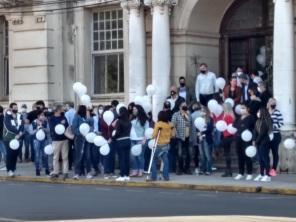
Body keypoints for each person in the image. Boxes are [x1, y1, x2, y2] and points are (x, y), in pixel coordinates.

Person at [233, 102, 256, 180]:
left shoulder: (251, 118)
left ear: (248, 109)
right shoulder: (238, 117)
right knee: (240, 156)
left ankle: (249, 173)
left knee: (247, 156)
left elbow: (254, 130)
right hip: (238, 139)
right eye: (241, 108)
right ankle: (241, 173)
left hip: (247, 139)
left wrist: (253, 140)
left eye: (243, 108)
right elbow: (234, 126)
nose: (241, 109)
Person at [71, 105, 94, 180]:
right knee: (79, 156)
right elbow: (74, 129)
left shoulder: (88, 118)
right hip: (79, 139)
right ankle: (77, 173)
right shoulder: (77, 117)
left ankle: (88, 172)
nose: (87, 111)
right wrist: (81, 132)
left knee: (87, 156)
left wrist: (88, 118)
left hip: (87, 139)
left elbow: (91, 127)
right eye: (86, 110)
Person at [150, 111, 173, 181]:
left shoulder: (158, 124)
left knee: (153, 160)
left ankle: (153, 177)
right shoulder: (170, 124)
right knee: (165, 161)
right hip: (166, 145)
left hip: (159, 145)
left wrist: (151, 137)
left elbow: (154, 135)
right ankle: (166, 177)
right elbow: (172, 135)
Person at [3, 103, 24, 177]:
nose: (16, 109)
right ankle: (9, 170)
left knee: (15, 154)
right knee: (10, 154)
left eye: (16, 107)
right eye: (14, 107)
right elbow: (9, 127)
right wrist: (18, 132)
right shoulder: (7, 117)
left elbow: (22, 125)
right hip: (8, 138)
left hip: (17, 138)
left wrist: (20, 133)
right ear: (11, 108)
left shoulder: (19, 116)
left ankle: (13, 169)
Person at [48, 104, 69, 179]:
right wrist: (61, 123)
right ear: (57, 110)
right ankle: (56, 172)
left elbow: (67, 126)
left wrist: (64, 123)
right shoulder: (51, 118)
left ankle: (65, 172)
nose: (62, 110)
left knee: (65, 156)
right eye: (61, 109)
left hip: (64, 139)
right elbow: (53, 128)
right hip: (56, 140)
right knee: (55, 157)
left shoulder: (63, 117)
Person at [253, 108, 273, 182]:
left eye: (259, 112)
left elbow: (262, 133)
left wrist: (256, 141)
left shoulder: (265, 122)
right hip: (258, 142)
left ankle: (268, 175)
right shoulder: (258, 121)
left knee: (265, 158)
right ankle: (261, 174)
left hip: (264, 142)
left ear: (262, 113)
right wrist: (253, 140)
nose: (257, 113)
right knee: (260, 159)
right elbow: (255, 131)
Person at [171, 102, 191, 175]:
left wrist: (185, 114)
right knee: (180, 153)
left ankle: (187, 168)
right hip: (179, 137)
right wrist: (175, 134)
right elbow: (172, 125)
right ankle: (179, 168)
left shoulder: (188, 114)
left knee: (188, 154)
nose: (184, 108)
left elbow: (190, 124)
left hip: (188, 137)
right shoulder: (176, 114)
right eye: (183, 106)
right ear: (180, 107)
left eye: (185, 106)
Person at [112, 107, 132, 182]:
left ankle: (122, 175)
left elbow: (117, 133)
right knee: (127, 159)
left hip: (120, 141)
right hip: (128, 140)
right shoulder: (129, 121)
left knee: (121, 159)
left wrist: (113, 137)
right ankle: (127, 175)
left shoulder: (119, 121)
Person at [130, 105, 149, 177]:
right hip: (132, 139)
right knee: (133, 155)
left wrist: (144, 139)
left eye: (135, 109)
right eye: (133, 109)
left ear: (139, 110)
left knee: (140, 156)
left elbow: (147, 131)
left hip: (140, 140)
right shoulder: (132, 118)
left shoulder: (145, 120)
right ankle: (135, 170)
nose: (133, 110)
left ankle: (141, 170)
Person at [30, 110, 50, 176]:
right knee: (37, 155)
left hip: (45, 140)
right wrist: (37, 129)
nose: (43, 116)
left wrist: (43, 128)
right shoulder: (33, 122)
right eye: (42, 115)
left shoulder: (46, 122)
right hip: (36, 140)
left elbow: (48, 130)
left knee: (45, 155)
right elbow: (31, 132)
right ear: (38, 116)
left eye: (43, 115)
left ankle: (47, 170)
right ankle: (37, 170)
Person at [268, 98, 284, 177]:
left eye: (274, 103)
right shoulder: (265, 112)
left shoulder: (277, 112)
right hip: (266, 136)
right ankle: (266, 168)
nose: (272, 104)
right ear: (268, 103)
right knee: (265, 153)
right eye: (271, 102)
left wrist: (272, 126)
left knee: (274, 153)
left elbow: (281, 123)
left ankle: (273, 169)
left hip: (275, 135)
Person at [197, 107, 214, 175]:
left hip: (207, 139)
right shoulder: (199, 119)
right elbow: (197, 128)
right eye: (201, 111)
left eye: (203, 111)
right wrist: (198, 134)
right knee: (201, 155)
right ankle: (202, 169)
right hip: (200, 139)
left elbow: (210, 129)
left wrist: (202, 133)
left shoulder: (210, 119)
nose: (202, 112)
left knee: (208, 155)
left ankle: (208, 170)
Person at [221, 102, 235, 177]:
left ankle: (228, 170)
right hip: (227, 135)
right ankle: (228, 170)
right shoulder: (230, 115)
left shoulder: (228, 116)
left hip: (227, 136)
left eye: (223, 106)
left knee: (227, 154)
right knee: (227, 154)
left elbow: (226, 126)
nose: (222, 108)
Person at [190, 102, 203, 174]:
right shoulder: (202, 114)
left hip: (194, 136)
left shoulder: (191, 115)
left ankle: (196, 167)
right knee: (203, 153)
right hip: (202, 136)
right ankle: (203, 167)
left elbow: (191, 127)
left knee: (196, 153)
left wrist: (191, 138)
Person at [64, 101, 76, 171]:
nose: (66, 107)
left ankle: (70, 165)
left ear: (68, 106)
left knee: (68, 150)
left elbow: (67, 123)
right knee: (76, 149)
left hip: (69, 133)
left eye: (66, 106)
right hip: (76, 133)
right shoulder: (76, 112)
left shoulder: (67, 113)